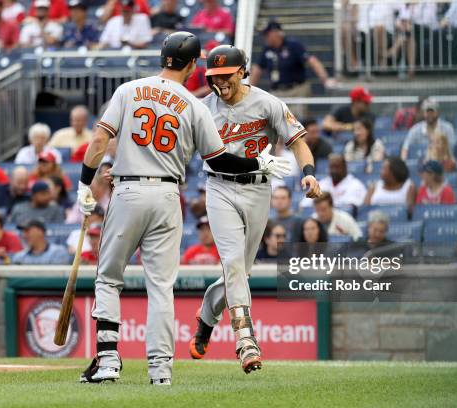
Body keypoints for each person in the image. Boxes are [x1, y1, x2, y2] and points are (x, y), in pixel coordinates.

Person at [75, 32, 290, 384]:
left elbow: (100, 139)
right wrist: (257, 165)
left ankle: (109, 359)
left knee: (109, 278)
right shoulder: (193, 104)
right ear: (193, 65)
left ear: (164, 58)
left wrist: (86, 184)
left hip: (127, 189)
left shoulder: (129, 90)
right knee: (160, 286)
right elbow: (221, 159)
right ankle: (161, 371)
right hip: (167, 196)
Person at [189, 45, 320, 373]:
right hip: (218, 187)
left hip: (258, 189)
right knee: (232, 264)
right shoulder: (203, 108)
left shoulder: (266, 103)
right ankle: (246, 341)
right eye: (214, 76)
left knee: (239, 274)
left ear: (242, 71)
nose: (220, 82)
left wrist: (309, 175)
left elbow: (298, 141)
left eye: (226, 75)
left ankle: (207, 318)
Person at [250, 20, 333, 119]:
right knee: (275, 121)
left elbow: (312, 61)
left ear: (276, 33)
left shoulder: (293, 45)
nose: (265, 38)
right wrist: (249, 90)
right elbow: (257, 68)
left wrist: (325, 79)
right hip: (277, 91)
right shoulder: (267, 49)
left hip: (297, 90)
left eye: (267, 34)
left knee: (299, 121)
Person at [301, 154, 366, 209]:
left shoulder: (355, 185)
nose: (334, 171)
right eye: (332, 167)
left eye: (337, 167)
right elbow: (304, 205)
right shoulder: (323, 183)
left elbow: (350, 207)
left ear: (345, 168)